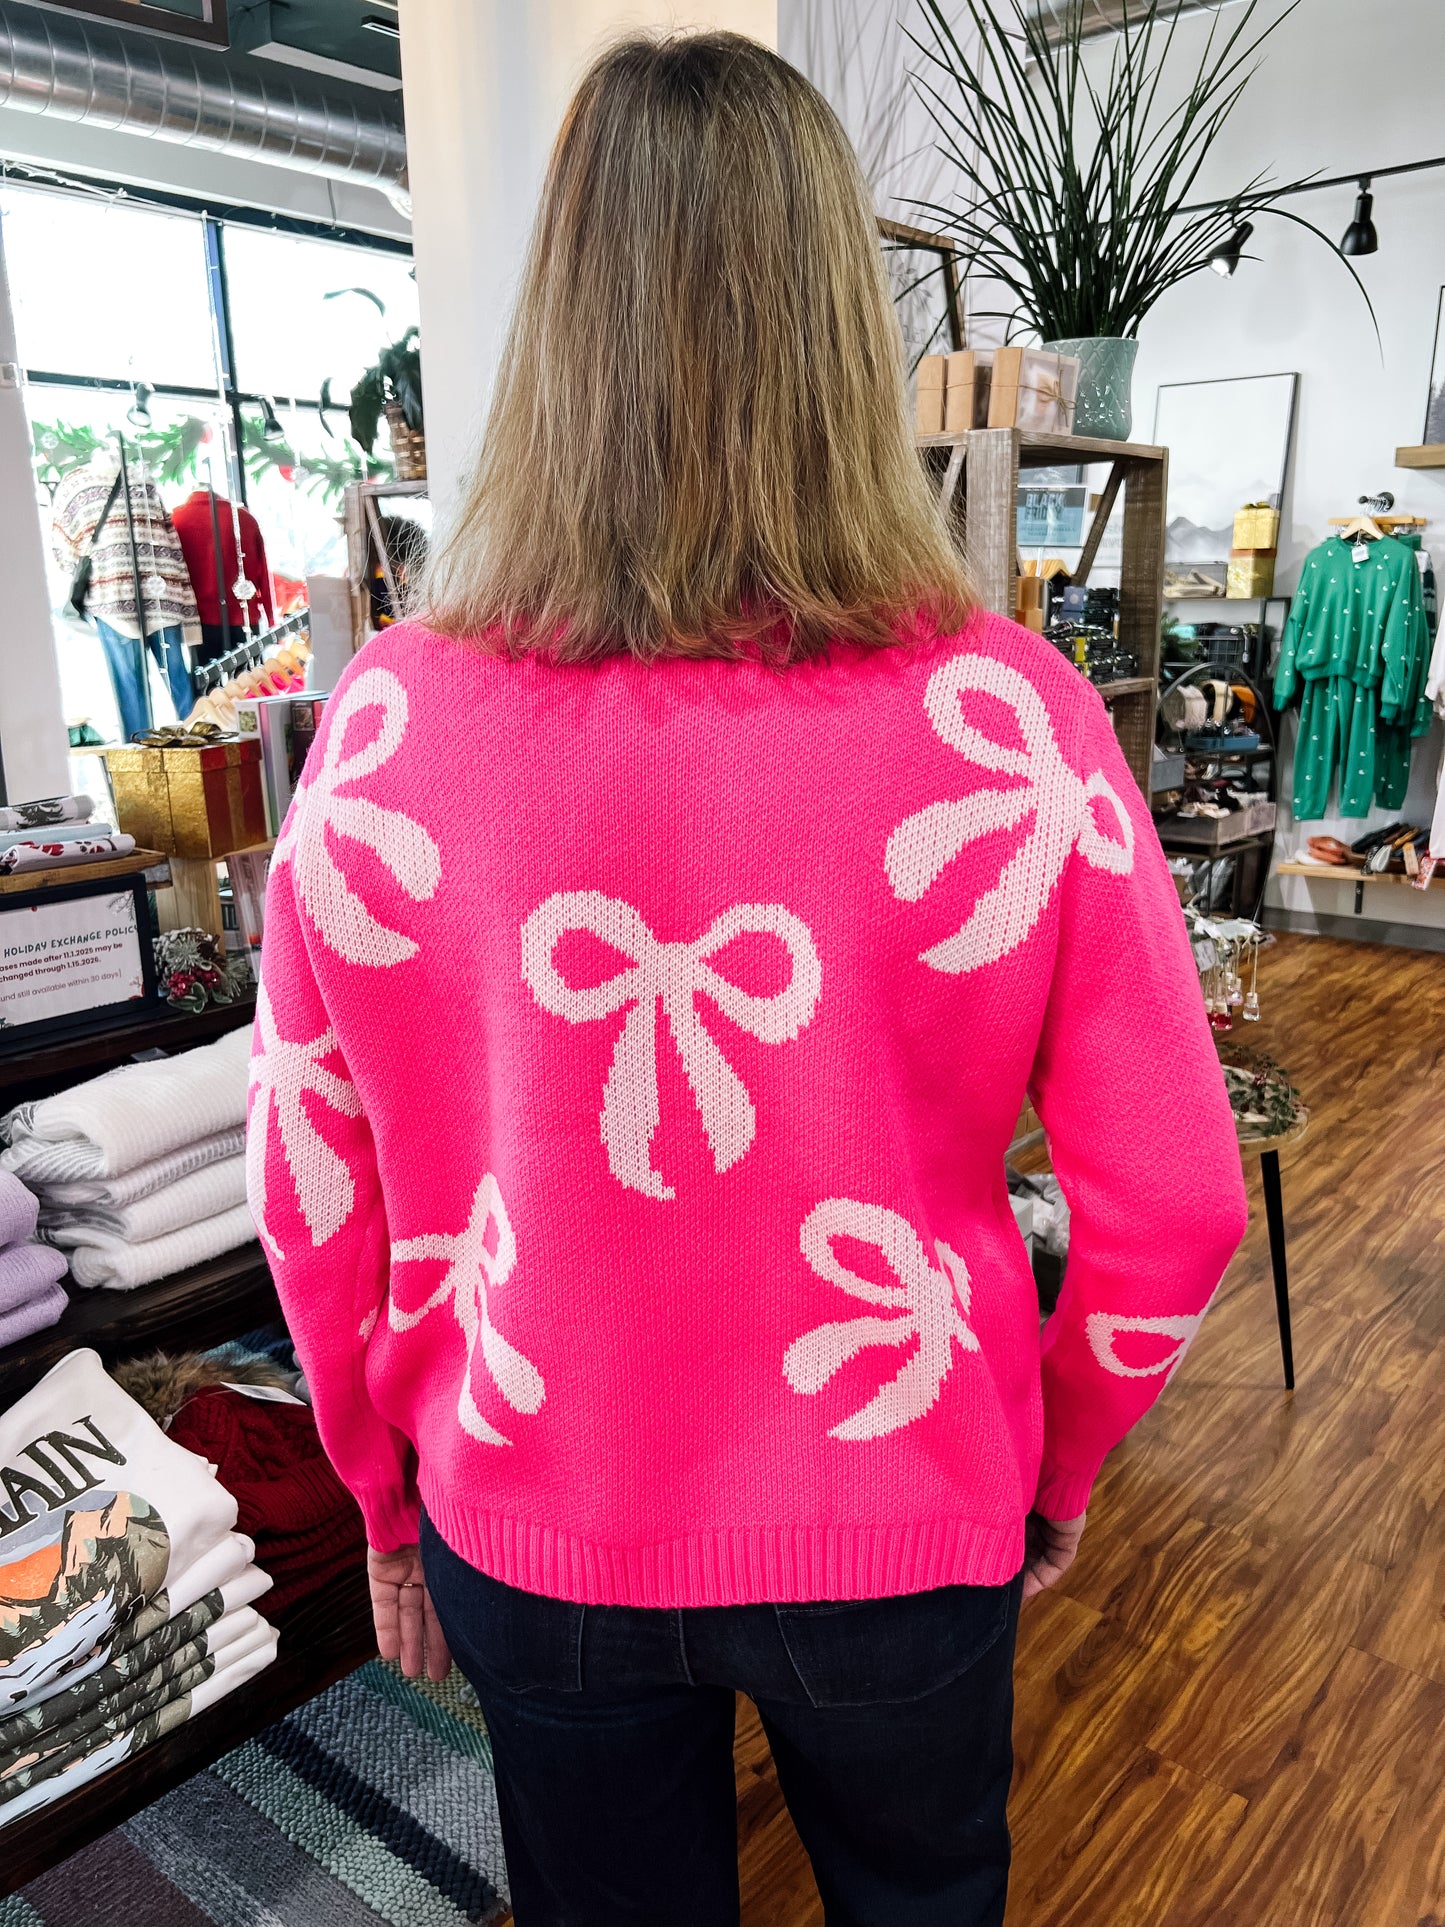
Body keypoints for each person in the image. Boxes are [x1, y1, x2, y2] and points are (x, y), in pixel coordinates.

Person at [249, 31, 1246, 1927]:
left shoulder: (388, 728)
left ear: (557, 328)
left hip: (528, 1502)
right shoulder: (1004, 718)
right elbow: (1180, 1200)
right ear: (838, 329)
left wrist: (381, 1492)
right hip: (900, 1489)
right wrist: (1051, 1465)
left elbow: (313, 1189)